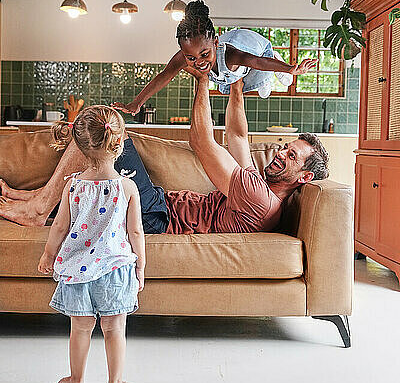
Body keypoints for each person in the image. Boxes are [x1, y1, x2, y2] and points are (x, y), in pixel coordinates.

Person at [0, 78, 329, 235]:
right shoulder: (259, 188)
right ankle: (33, 198)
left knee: (102, 122)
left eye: (293, 155)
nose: (282, 152)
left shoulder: (259, 198)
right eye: (286, 146)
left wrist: (202, 81)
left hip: (155, 218)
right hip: (157, 205)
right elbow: (238, 136)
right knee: (103, 151)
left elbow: (201, 141)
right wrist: (236, 84)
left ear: (304, 178)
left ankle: (38, 209)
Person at [37, 105, 145, 383]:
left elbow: (59, 226)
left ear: (80, 149)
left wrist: (48, 256)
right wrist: (141, 268)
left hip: (76, 272)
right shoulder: (127, 187)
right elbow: (136, 232)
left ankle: (76, 380)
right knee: (114, 329)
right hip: (116, 268)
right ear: (119, 144)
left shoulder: (72, 185)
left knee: (80, 329)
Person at [113, 0, 316, 116]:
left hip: (255, 48)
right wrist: (136, 103)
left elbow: (257, 62)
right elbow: (164, 76)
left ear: (216, 43)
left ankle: (274, 65)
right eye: (190, 58)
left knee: (260, 80)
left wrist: (290, 69)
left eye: (204, 55)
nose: (199, 62)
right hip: (231, 70)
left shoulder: (230, 55)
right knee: (227, 84)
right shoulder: (186, 56)